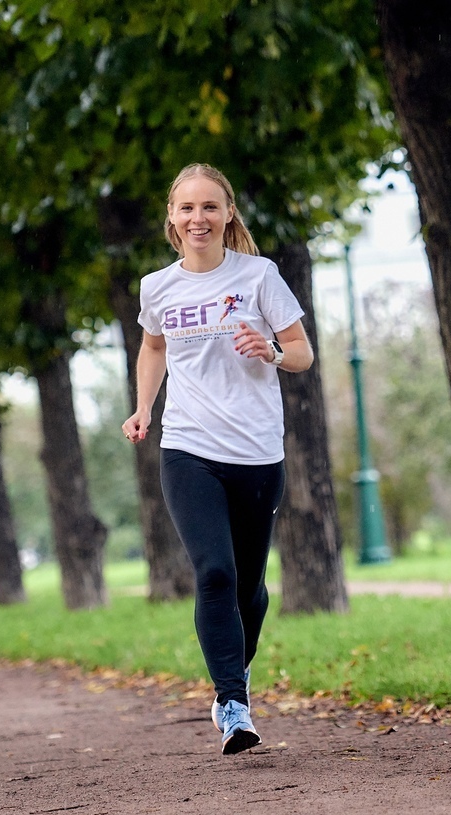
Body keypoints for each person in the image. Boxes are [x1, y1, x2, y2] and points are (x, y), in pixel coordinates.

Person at [122, 163, 314, 756]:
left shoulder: (259, 276)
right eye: (186, 208)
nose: (197, 218)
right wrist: (143, 409)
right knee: (214, 572)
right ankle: (233, 703)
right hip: (187, 447)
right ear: (172, 220)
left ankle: (236, 675)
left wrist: (273, 349)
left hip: (256, 451)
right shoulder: (158, 287)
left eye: (210, 207)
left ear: (228, 213)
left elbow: (303, 353)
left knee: (251, 588)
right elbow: (153, 347)